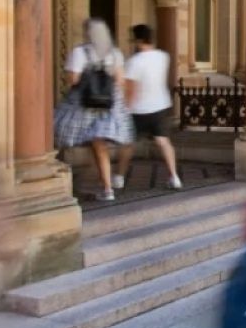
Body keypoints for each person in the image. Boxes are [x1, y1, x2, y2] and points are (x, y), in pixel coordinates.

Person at [54, 18, 134, 202]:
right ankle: (107, 189)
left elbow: (73, 79)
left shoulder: (80, 52)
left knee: (58, 136)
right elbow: (120, 80)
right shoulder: (115, 54)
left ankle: (57, 182)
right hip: (106, 106)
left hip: (82, 105)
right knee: (100, 146)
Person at [115, 24, 182, 191]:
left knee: (127, 144)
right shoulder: (162, 57)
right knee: (163, 141)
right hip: (160, 105)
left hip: (139, 109)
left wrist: (125, 109)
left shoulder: (134, 62)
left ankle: (119, 177)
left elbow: (131, 90)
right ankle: (174, 177)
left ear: (137, 40)